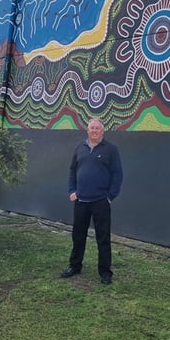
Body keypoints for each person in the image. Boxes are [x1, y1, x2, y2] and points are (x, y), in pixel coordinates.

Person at [61, 118, 123, 285]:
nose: (94, 131)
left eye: (97, 128)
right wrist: (72, 190)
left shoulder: (111, 149)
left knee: (103, 238)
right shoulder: (79, 148)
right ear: (87, 131)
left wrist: (110, 196)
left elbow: (118, 174)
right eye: (91, 128)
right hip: (81, 200)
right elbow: (72, 171)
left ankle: (105, 272)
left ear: (102, 131)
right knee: (78, 236)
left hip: (100, 201)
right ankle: (74, 266)